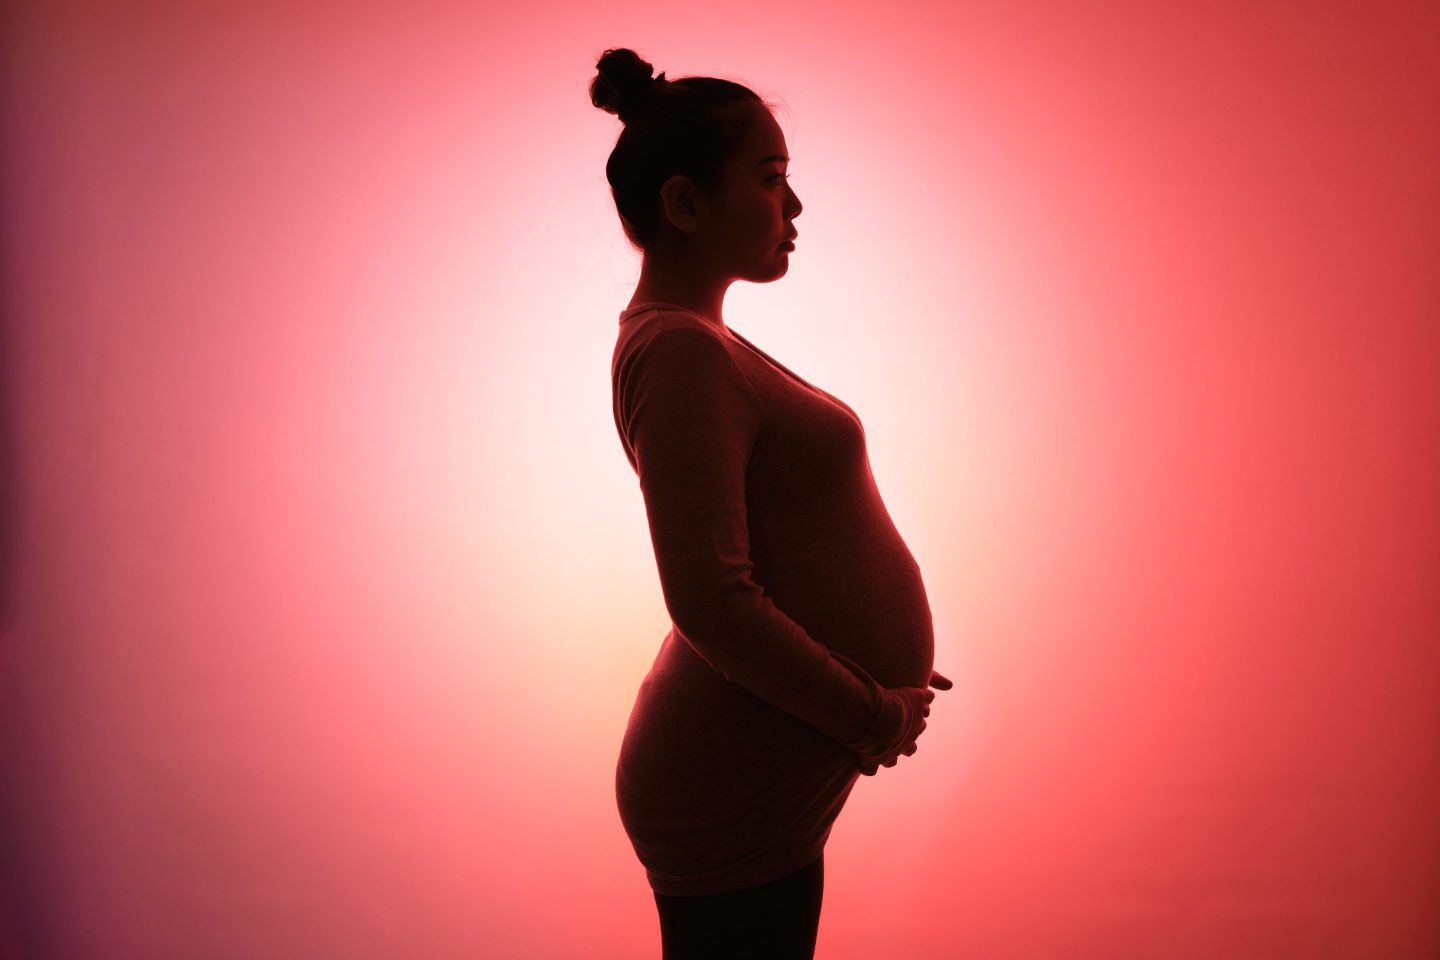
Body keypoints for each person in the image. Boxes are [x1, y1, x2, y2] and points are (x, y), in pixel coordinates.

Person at [591, 48, 953, 959]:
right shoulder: (679, 353)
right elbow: (711, 600)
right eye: (770, 178)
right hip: (724, 783)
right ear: (684, 204)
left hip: (751, 765)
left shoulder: (696, 344)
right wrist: (869, 710)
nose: (794, 207)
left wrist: (874, 673)